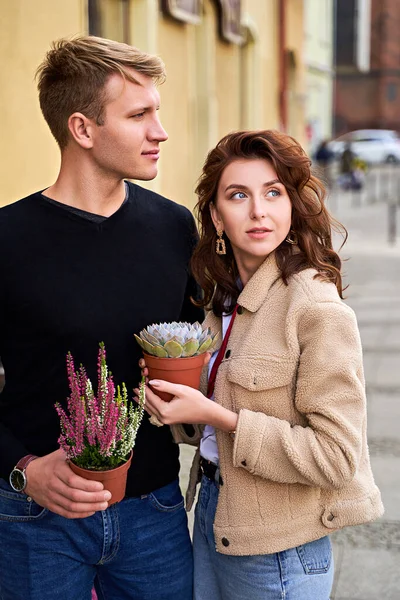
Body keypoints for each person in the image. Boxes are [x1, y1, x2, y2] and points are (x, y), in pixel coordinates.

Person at [140, 130, 384, 600]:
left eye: (273, 192)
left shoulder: (314, 306)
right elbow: (208, 427)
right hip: (215, 517)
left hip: (280, 548)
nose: (258, 211)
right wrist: (170, 406)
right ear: (216, 215)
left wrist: (217, 416)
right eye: (238, 195)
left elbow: (337, 457)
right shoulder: (220, 303)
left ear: (292, 206)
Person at [0, 36, 202, 600]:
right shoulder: (7, 240)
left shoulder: (174, 228)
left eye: (157, 112)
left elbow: (191, 352)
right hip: (33, 519)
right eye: (139, 115)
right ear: (83, 129)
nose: (160, 131)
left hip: (155, 514)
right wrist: (23, 468)